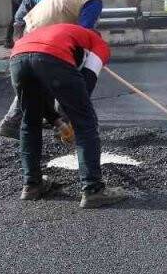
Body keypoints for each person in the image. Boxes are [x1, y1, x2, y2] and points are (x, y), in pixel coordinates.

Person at [0, 0, 130, 138]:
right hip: (45, 37)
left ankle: (53, 121)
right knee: (64, 75)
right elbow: (83, 34)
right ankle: (61, 122)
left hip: (36, 28)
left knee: (42, 78)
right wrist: (95, 54)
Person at [9, 23, 127, 208]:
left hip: (18, 57)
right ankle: (93, 190)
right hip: (51, 56)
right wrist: (71, 120)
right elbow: (86, 83)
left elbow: (41, 100)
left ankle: (32, 185)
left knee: (30, 120)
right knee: (85, 122)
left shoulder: (64, 33)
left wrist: (59, 122)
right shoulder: (99, 44)